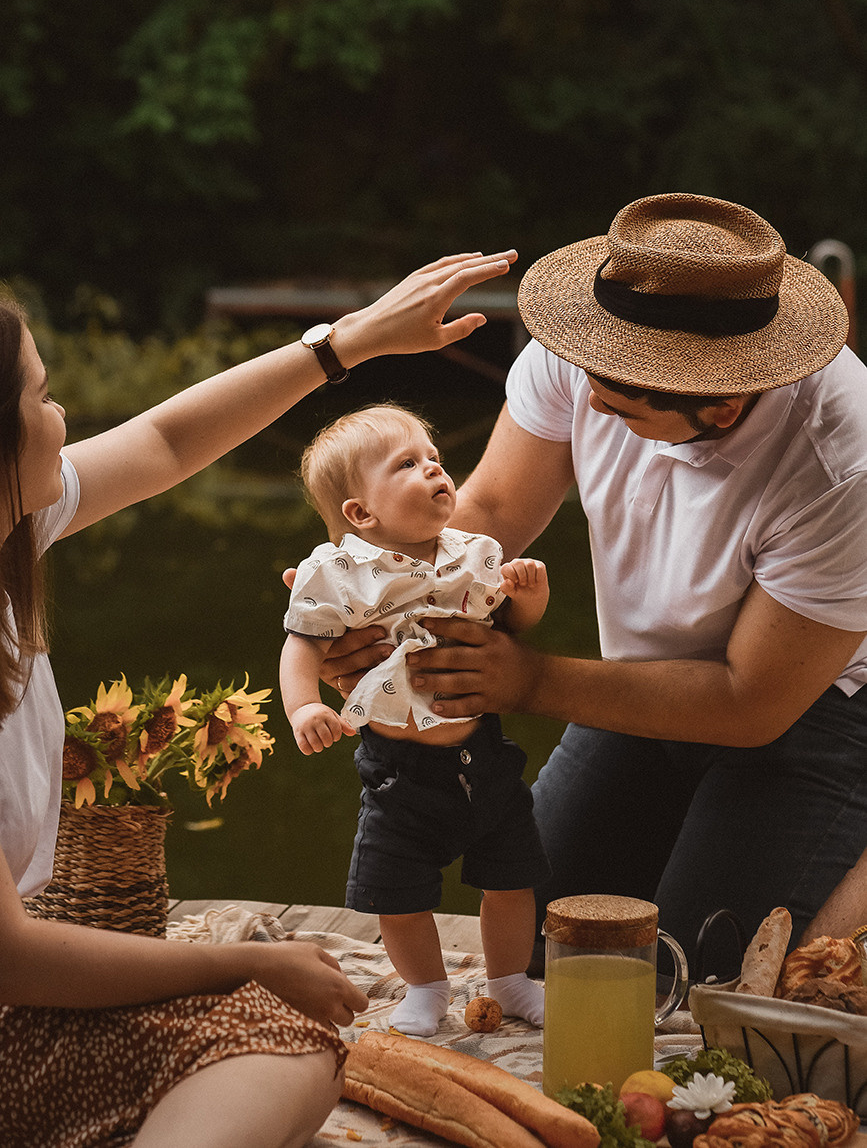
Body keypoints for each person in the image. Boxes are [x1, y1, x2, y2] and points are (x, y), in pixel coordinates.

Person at [0, 247, 517, 1148]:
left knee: (291, 1047)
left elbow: (167, 442)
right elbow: (12, 956)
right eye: (41, 398)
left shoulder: (14, 527)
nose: (62, 415)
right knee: (282, 1039)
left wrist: (346, 343)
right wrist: (245, 962)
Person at [317, 193, 867, 983]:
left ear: (722, 404)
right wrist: (378, 605)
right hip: (642, 677)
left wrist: (524, 678)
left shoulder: (838, 457)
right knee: (537, 941)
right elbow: (490, 511)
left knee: (692, 977)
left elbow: (750, 700)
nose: (590, 402)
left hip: (810, 706)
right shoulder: (586, 349)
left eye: (619, 407)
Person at [280, 404, 551, 1037]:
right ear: (360, 513)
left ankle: (510, 981)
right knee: (397, 892)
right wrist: (304, 706)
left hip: (483, 753)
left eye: (434, 457)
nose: (434, 468)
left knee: (512, 877)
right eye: (408, 463)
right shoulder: (337, 574)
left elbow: (510, 629)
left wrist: (529, 598)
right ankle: (426, 987)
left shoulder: (474, 554)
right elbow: (302, 644)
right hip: (398, 770)